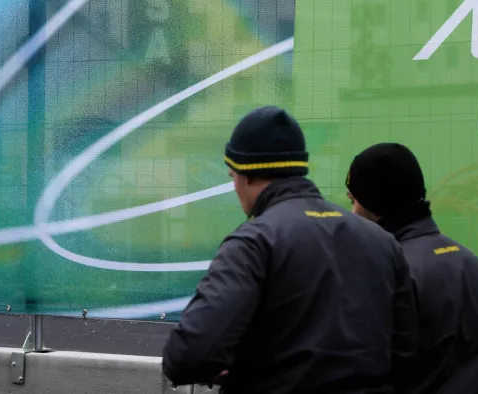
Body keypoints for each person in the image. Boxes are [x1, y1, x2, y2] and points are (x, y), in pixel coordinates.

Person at [162, 107, 417, 393]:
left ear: (245, 175)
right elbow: (407, 354)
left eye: (232, 176)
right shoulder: (380, 241)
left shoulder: (253, 243)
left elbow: (189, 355)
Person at [346, 143, 478, 394]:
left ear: (374, 203)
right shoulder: (474, 266)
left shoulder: (387, 272)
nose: (351, 213)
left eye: (353, 200)